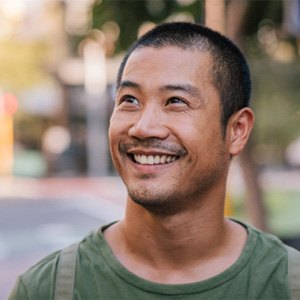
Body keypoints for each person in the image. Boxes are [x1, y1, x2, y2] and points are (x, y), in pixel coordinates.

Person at [9, 22, 300, 300]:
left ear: (236, 131)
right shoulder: (48, 290)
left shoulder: (288, 284)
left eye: (175, 101)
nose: (143, 127)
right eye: (130, 100)